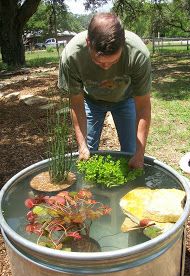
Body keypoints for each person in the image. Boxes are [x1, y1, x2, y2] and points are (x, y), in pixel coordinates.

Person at [58, 12, 151, 169]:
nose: (107, 67)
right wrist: (82, 145)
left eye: (113, 61)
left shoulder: (138, 54)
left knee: (131, 152)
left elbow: (143, 106)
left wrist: (140, 154)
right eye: (99, 62)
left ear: (123, 45)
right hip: (91, 101)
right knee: (87, 154)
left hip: (125, 99)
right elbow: (76, 103)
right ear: (88, 43)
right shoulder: (71, 56)